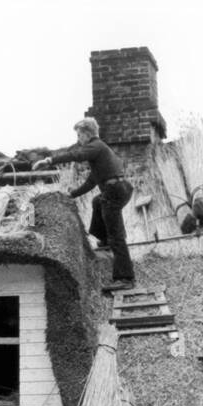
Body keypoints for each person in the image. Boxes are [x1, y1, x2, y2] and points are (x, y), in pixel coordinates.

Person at [32, 118, 135, 291]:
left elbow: (76, 155)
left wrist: (49, 160)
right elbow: (91, 182)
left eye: (79, 135)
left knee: (116, 236)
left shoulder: (96, 146)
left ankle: (125, 278)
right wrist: (71, 195)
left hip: (115, 191)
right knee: (97, 201)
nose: (79, 139)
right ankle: (102, 239)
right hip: (119, 189)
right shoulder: (100, 154)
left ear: (87, 133)